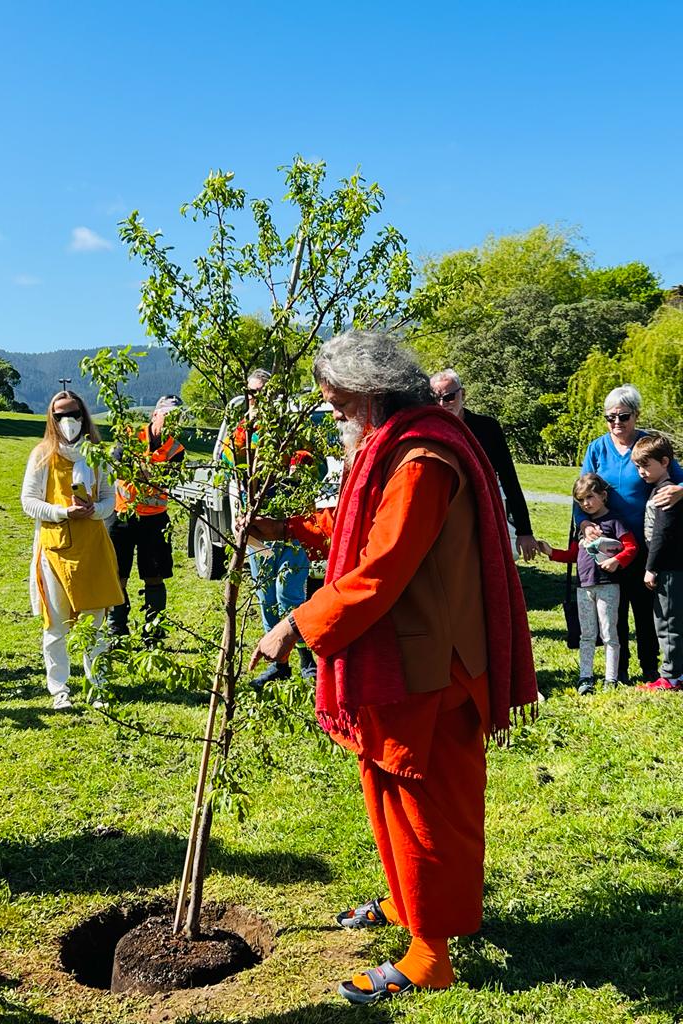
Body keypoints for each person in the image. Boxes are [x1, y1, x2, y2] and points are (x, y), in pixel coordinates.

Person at [248, 331, 537, 1002]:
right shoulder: (392, 447)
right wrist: (285, 527)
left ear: (372, 398)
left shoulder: (421, 460)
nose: (335, 418)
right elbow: (359, 528)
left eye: (339, 405)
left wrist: (295, 624)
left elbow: (380, 570)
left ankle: (430, 955)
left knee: (427, 807)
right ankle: (412, 908)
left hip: (432, 667)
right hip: (403, 659)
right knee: (391, 797)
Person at [21, 391, 123, 710]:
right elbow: (29, 501)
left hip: (92, 547)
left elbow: (110, 499)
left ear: (84, 415)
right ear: (52, 418)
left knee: (93, 622)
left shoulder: (97, 455)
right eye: (61, 414)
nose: (69, 421)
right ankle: (59, 688)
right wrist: (63, 511)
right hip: (55, 550)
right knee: (56, 623)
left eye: (74, 413)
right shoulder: (42, 455)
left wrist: (94, 510)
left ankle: (97, 686)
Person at [578, 385, 683, 683]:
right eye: (610, 417)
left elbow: (678, 478)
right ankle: (619, 670)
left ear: (636, 415)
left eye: (623, 416)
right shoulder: (597, 448)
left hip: (647, 544)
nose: (616, 423)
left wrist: (679, 490)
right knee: (615, 609)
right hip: (611, 546)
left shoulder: (648, 445)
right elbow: (582, 490)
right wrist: (584, 524)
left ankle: (650, 666)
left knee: (647, 608)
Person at [222, 369, 316, 686]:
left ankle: (305, 658)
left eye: (266, 394)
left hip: (287, 526)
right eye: (254, 394)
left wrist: (292, 476)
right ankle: (278, 663)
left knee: (288, 593)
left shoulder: (290, 430)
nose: (259, 400)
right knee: (266, 596)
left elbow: (306, 465)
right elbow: (230, 476)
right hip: (256, 530)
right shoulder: (239, 435)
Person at [539, 474, 637, 695]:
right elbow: (575, 554)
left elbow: (631, 548)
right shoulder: (583, 528)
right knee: (587, 634)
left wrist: (616, 561)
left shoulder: (615, 521)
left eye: (590, 497)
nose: (586, 504)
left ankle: (611, 678)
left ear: (603, 495)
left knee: (609, 633)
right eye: (581, 500)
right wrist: (551, 552)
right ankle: (586, 676)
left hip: (608, 586)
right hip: (584, 586)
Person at [429, 369, 538, 561]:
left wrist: (524, 530)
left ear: (463, 394)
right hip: (444, 512)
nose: (442, 404)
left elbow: (508, 477)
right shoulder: (429, 428)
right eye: (435, 399)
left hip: (482, 508)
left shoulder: (487, 428)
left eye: (449, 397)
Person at [108, 396, 185, 641]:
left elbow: (167, 480)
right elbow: (118, 465)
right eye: (167, 415)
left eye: (176, 418)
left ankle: (153, 629)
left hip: (155, 520)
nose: (171, 422)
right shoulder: (131, 436)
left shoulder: (176, 449)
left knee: (154, 575)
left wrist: (142, 471)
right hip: (123, 515)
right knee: (117, 574)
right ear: (155, 415)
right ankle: (117, 628)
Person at [631, 435, 683, 691]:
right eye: (638, 467)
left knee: (667, 621)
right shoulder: (660, 487)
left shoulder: (667, 493)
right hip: (669, 567)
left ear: (665, 462)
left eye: (646, 466)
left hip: (669, 568)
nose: (641, 472)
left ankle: (671, 677)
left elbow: (661, 535)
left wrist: (651, 568)